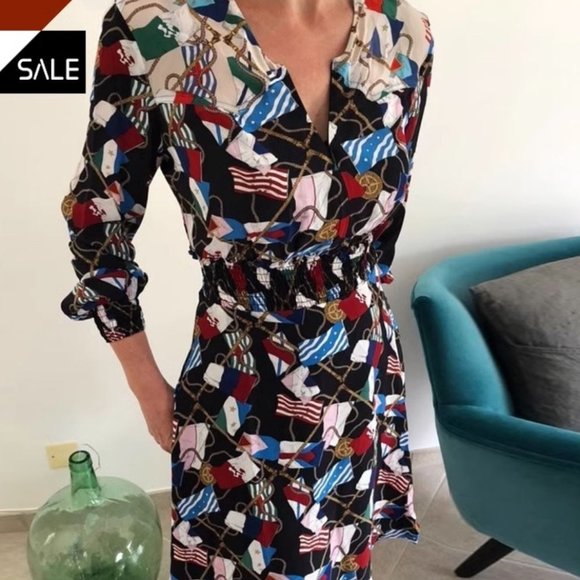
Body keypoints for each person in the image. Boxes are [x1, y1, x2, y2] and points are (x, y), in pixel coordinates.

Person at [59, 0, 435, 577]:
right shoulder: (155, 28)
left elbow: (388, 207)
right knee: (243, 560)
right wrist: (145, 383)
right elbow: (98, 215)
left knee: (339, 556)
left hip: (360, 362)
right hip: (242, 370)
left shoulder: (403, 31)